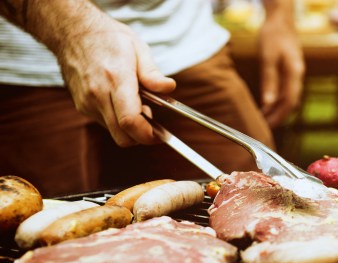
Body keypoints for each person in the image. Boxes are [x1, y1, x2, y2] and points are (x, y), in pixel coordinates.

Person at [0, 0, 304, 197]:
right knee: (46, 236)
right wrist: (75, 32)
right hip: (26, 62)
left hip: (186, 43)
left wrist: (280, 15)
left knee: (264, 199)